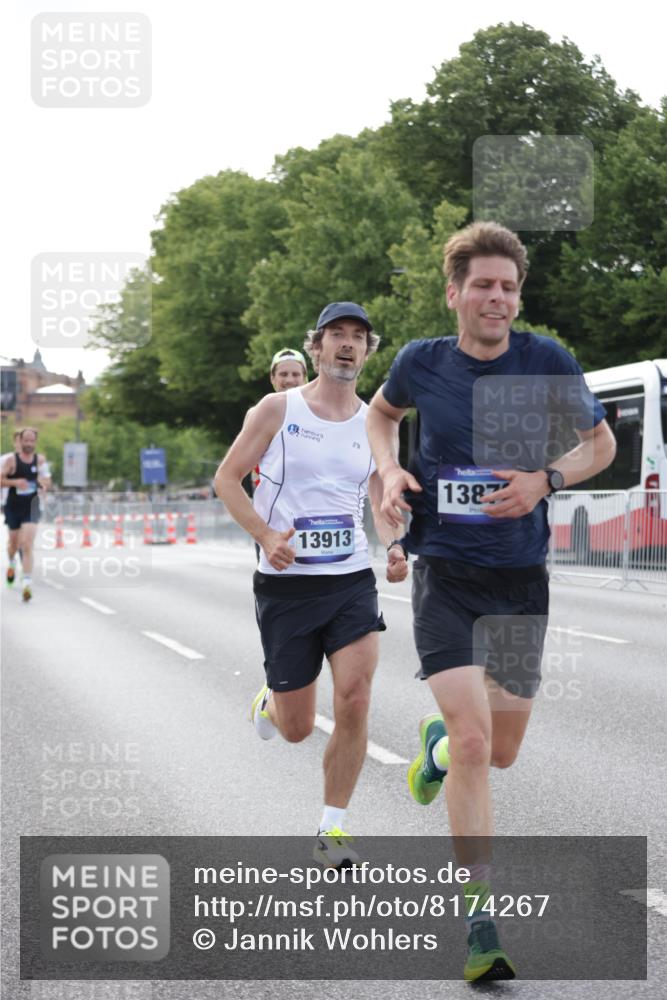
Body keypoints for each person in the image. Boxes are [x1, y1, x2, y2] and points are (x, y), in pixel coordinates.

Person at [366, 222, 616, 982]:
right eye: (482, 284)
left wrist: (547, 480)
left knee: (497, 751)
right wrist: (387, 474)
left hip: (519, 580)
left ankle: (434, 748)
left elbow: (599, 446)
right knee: (477, 745)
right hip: (445, 573)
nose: (496, 298)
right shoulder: (420, 362)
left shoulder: (546, 361)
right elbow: (381, 417)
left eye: (507, 286)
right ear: (453, 293)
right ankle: (480, 925)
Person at [215, 302, 407, 866]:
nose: (347, 344)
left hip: (350, 581)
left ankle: (333, 828)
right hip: (287, 586)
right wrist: (266, 534)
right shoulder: (277, 409)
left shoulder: (375, 421)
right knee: (297, 729)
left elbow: (380, 491)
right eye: (336, 336)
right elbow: (226, 479)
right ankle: (272, 702)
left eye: (358, 337)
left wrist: (395, 544)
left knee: (355, 697)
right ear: (316, 348)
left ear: (369, 351)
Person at [2, 427, 52, 601]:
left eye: (32, 441)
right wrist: (15, 482)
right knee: (13, 545)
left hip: (31, 506)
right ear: (20, 441)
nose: (29, 444)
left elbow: (47, 480)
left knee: (27, 544)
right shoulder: (10, 460)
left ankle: (27, 583)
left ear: (35, 442)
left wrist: (42, 484)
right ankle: (12, 563)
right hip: (13, 506)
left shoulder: (40, 460)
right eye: (26, 441)